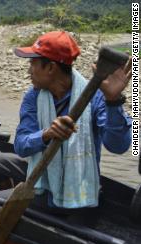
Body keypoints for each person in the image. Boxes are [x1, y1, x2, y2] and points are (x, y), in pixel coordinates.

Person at [13, 31, 132, 212]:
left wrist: (113, 101)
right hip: (43, 189)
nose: (29, 70)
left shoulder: (95, 97)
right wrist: (46, 135)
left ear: (51, 68)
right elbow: (21, 146)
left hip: (81, 195)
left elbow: (118, 147)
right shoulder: (33, 96)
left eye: (32, 63)